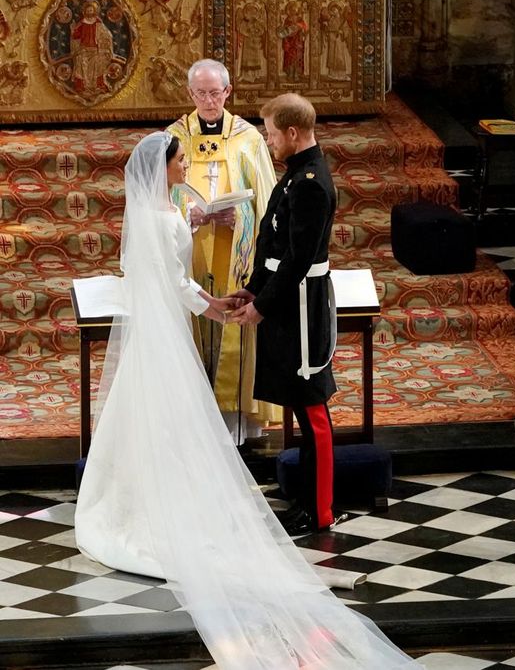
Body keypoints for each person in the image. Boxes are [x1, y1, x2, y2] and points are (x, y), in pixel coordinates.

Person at [75, 132, 420, 670]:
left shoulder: (152, 214)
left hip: (157, 331)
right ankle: (163, 509)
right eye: (180, 159)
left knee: (148, 413)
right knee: (172, 415)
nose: (187, 162)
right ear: (162, 167)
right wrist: (217, 306)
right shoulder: (164, 219)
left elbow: (152, 268)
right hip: (173, 325)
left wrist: (206, 277)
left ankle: (134, 498)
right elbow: (175, 280)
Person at [229, 93, 337, 538]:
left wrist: (261, 306)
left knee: (312, 410)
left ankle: (322, 509)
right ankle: (308, 502)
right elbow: (271, 244)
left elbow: (297, 259)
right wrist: (253, 288)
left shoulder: (310, 181)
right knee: (298, 403)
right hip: (284, 301)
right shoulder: (296, 175)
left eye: (272, 133)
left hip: (301, 308)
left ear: (293, 133)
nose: (269, 141)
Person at [168, 58, 279, 442]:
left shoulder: (248, 138)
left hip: (237, 253)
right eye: (201, 93)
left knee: (233, 323)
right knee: (194, 322)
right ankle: (192, 422)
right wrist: (187, 214)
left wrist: (243, 217)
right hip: (193, 250)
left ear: (228, 92)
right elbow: (162, 195)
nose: (209, 101)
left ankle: (236, 425)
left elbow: (266, 201)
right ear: (190, 93)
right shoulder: (174, 137)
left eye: (215, 93)